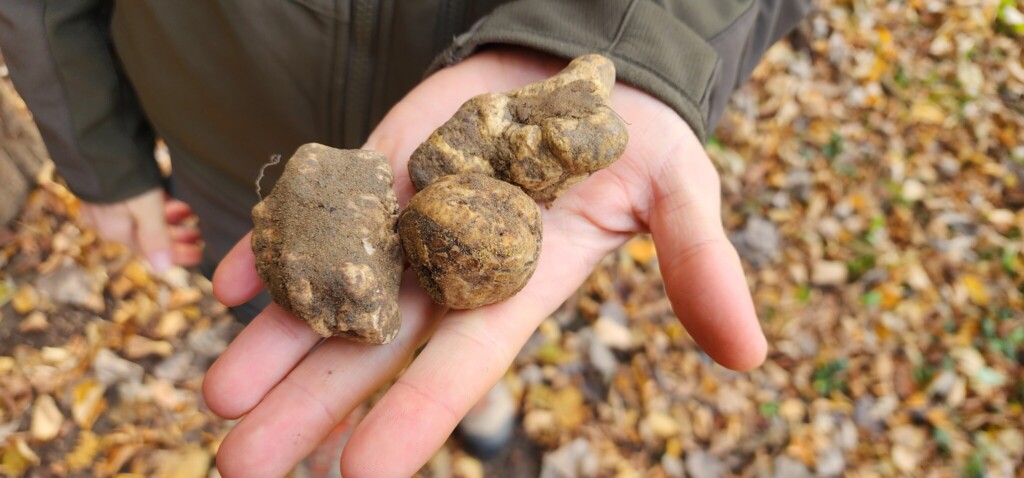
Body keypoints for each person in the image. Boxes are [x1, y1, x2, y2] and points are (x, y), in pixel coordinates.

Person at [0, 1, 813, 476]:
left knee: (462, 340)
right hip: (218, 128)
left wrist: (631, 28)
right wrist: (100, 157)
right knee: (263, 308)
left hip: (487, 55)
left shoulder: (481, 168)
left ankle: (474, 395)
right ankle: (349, 403)